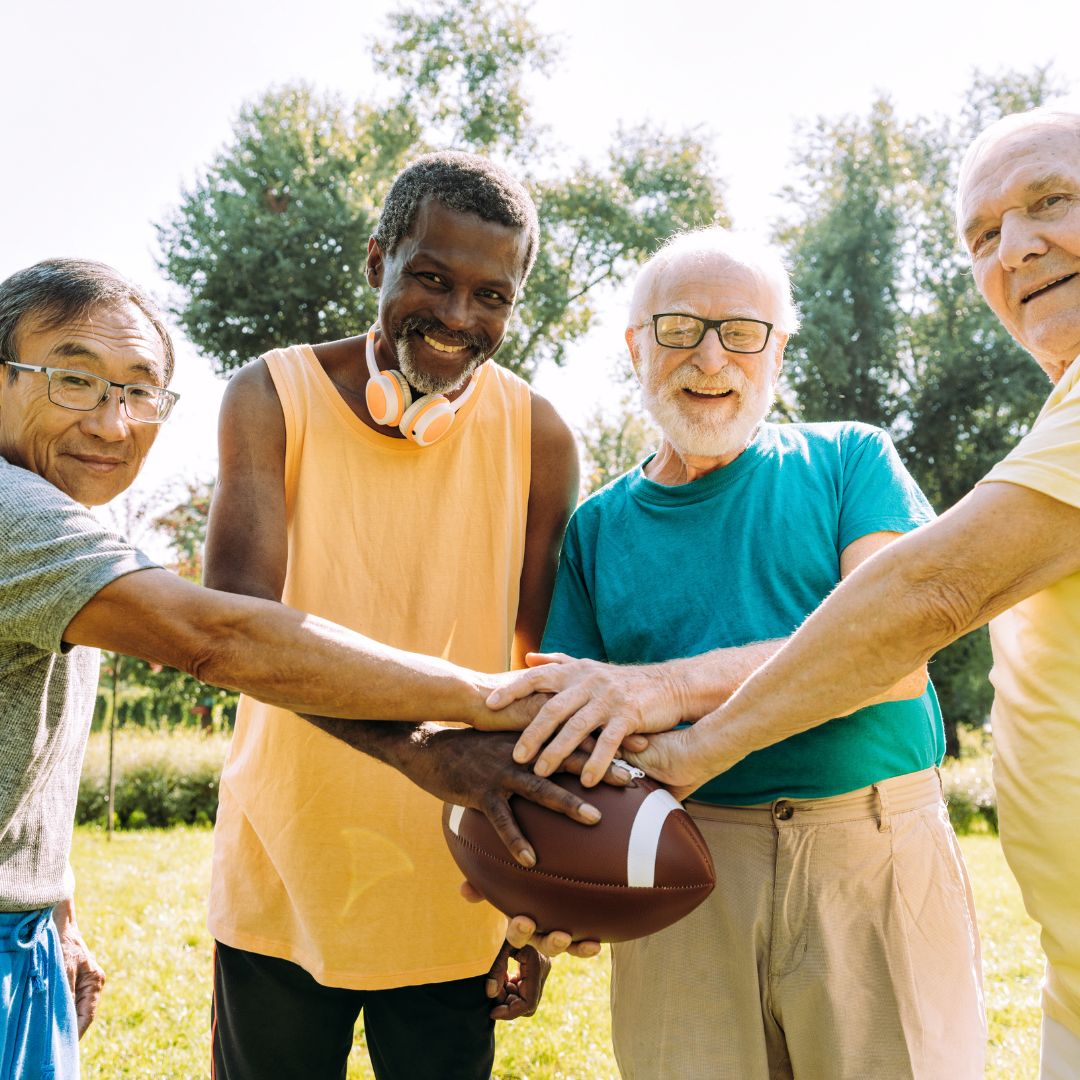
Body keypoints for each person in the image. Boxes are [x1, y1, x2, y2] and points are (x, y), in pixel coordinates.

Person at [501, 108, 1080, 1078]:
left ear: (780, 349)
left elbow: (896, 645)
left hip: (874, 848)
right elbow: (574, 730)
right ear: (634, 345)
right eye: (680, 331)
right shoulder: (597, 527)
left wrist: (664, 696)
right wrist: (554, 890)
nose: (711, 359)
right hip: (685, 862)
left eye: (741, 332)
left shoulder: (852, 459)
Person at [0, 255, 607, 1080]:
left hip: (26, 931)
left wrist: (51, 904)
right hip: (269, 875)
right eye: (73, 380)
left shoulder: (61, 526)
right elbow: (220, 638)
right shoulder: (20, 518)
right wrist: (469, 708)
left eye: (138, 390)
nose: (112, 424)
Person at [201, 151, 598, 1080]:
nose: (460, 317)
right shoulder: (269, 396)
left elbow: (548, 676)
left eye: (492, 296)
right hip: (282, 876)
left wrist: (531, 903)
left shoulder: (541, 437)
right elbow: (236, 639)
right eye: (431, 277)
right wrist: (427, 749)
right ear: (375, 258)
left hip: (457, 886)